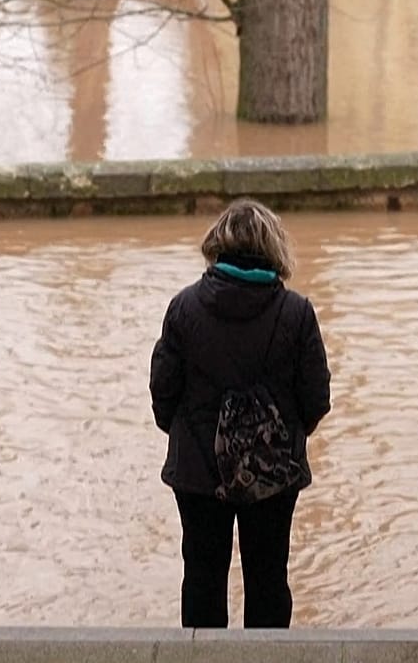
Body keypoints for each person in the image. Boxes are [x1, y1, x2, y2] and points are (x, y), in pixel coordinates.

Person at [150, 198, 332, 629]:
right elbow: (316, 397)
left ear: (217, 245)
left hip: (197, 473)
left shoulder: (183, 307)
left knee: (201, 577)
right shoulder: (297, 313)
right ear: (274, 249)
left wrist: (191, 438)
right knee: (269, 579)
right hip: (273, 472)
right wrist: (283, 438)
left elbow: (163, 392)